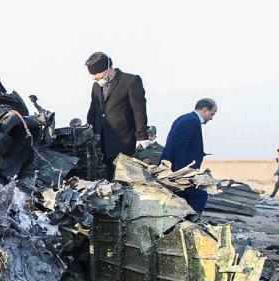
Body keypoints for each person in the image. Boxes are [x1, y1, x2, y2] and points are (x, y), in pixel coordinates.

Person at [84, 51, 149, 179]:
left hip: (123, 142)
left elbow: (139, 110)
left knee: (123, 179)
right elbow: (93, 110)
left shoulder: (130, 81)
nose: (94, 77)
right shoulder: (96, 87)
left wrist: (142, 136)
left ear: (107, 69)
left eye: (96, 74)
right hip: (101, 143)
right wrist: (88, 132)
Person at [161, 98, 218, 215]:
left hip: (173, 169)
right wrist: (182, 173)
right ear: (205, 110)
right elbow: (181, 147)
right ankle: (192, 223)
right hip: (178, 171)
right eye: (212, 114)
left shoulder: (184, 118)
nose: (212, 118)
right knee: (199, 196)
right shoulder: (192, 121)